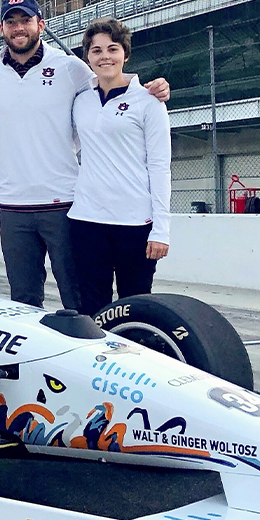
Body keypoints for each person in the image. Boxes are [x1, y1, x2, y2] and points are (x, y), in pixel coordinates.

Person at [0, 0, 169, 310]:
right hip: (14, 205)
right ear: (2, 29)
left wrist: (150, 88)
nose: (19, 28)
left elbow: (110, 81)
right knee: (24, 302)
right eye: (11, 22)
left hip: (64, 203)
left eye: (26, 20)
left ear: (40, 25)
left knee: (77, 299)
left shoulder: (69, 67)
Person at [69, 17, 171, 317]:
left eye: (112, 49)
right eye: (96, 50)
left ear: (125, 54)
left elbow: (160, 165)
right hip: (86, 221)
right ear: (87, 57)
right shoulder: (81, 100)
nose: (105, 57)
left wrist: (161, 230)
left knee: (135, 307)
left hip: (134, 224)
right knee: (90, 308)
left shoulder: (149, 101)